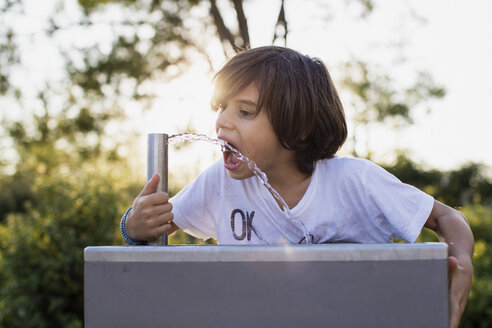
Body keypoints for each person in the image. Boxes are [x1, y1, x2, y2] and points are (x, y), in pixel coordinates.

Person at [121, 46, 473, 328]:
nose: (222, 122)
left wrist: (463, 264)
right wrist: (133, 225)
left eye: (245, 112)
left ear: (298, 128)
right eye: (221, 107)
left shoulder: (355, 182)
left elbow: (447, 218)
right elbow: (156, 226)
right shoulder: (218, 182)